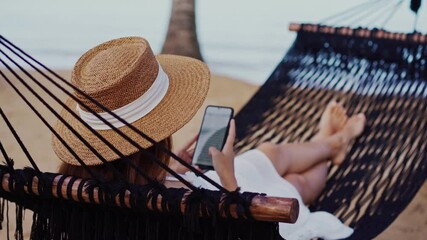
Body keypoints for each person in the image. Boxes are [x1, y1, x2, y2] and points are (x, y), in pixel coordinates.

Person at [53, 37, 365, 240]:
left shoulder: (78, 189)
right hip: (227, 207)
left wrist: (175, 170)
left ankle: (329, 142)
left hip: (196, 186)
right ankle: (334, 144)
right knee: (295, 185)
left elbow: (130, 173)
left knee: (271, 154)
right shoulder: (148, 207)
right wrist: (229, 181)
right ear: (154, 142)